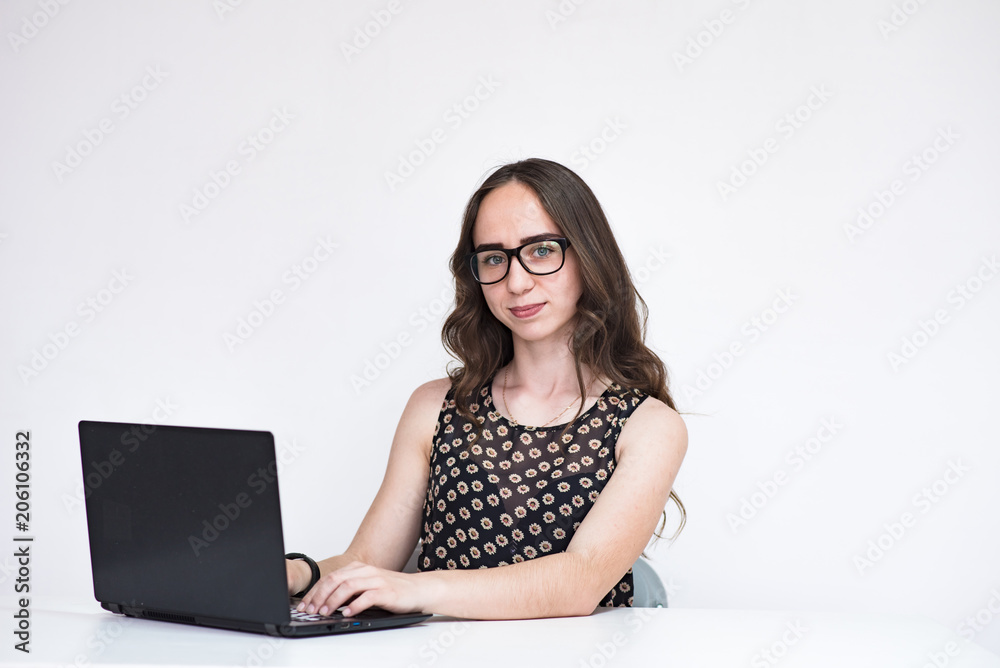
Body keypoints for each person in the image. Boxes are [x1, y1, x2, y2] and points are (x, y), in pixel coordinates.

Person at [286, 158, 687, 620]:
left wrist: (417, 588)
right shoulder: (433, 406)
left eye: (541, 251)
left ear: (588, 256)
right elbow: (368, 564)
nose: (516, 283)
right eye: (495, 258)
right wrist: (296, 573)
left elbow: (579, 582)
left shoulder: (649, 426)